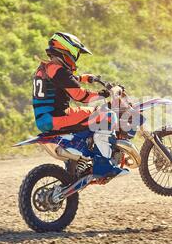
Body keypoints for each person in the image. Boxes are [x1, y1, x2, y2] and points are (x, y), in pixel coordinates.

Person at [32, 32, 128, 178]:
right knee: (108, 116)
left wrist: (87, 78)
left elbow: (67, 81)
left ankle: (76, 163)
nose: (76, 57)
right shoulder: (59, 71)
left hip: (44, 119)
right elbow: (81, 96)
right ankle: (104, 166)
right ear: (67, 50)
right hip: (58, 117)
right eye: (75, 52)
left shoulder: (45, 68)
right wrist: (104, 94)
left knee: (89, 115)